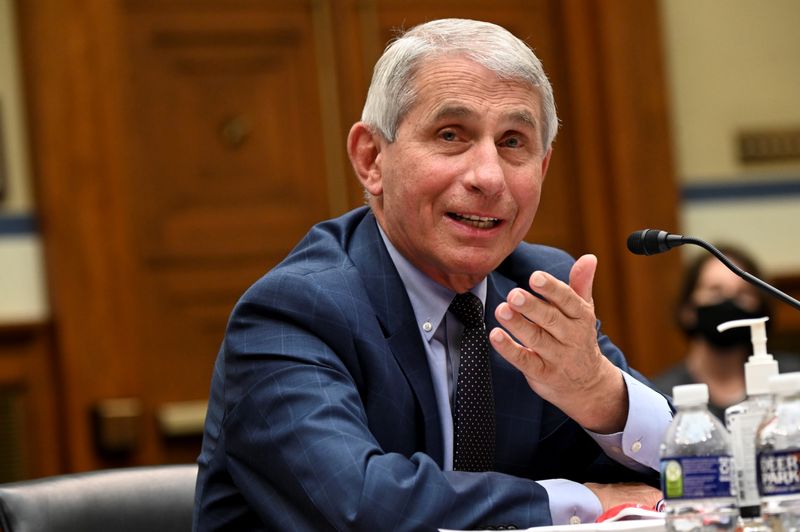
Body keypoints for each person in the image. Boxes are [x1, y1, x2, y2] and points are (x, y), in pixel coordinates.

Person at [193, 18, 672, 531]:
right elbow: (362, 507)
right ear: (371, 158)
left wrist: (600, 394)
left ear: (544, 167)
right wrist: (581, 503)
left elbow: (703, 470)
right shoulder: (294, 311)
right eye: (451, 135)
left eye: (513, 142)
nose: (488, 177)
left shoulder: (537, 287)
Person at [653, 245, 800, 420]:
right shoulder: (661, 397)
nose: (728, 302)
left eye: (743, 293)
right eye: (715, 290)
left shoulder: (793, 379)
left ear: (760, 309)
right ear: (688, 309)